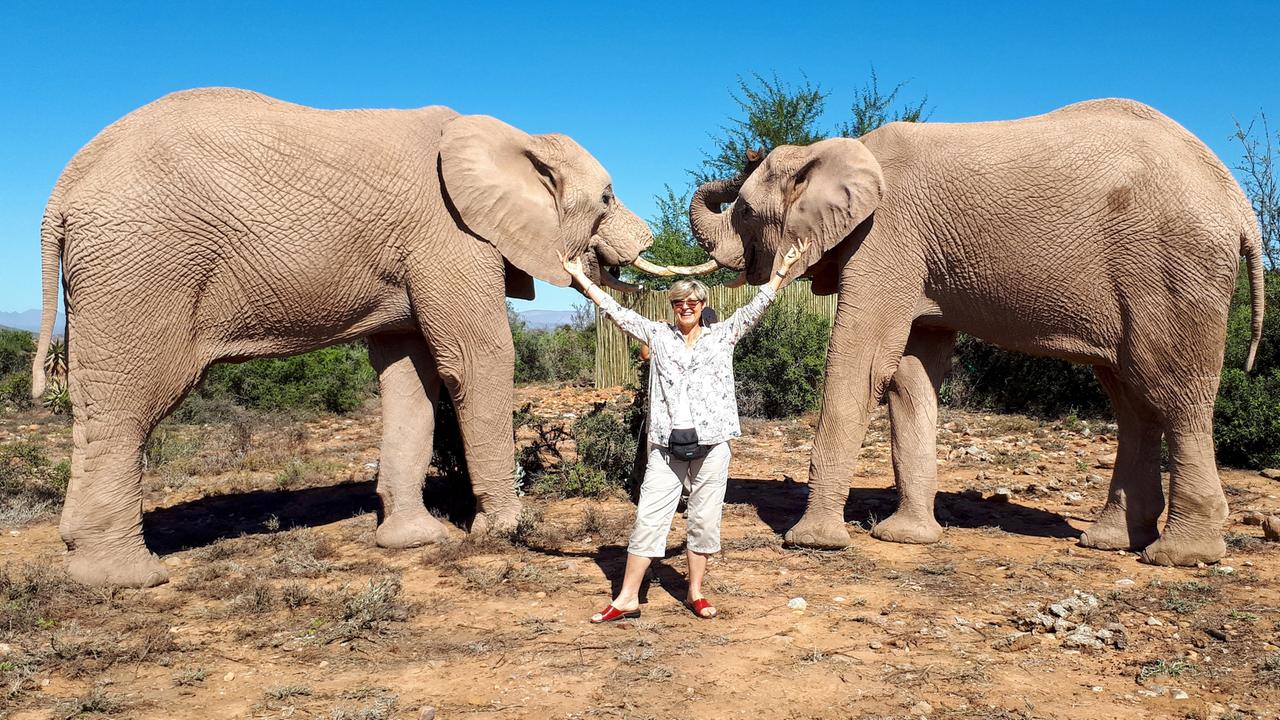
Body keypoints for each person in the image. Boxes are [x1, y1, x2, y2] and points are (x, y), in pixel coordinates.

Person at [560, 240, 809, 622]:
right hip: (665, 445)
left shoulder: (723, 335)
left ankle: (695, 592)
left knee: (704, 518)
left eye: (693, 302)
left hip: (712, 444)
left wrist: (783, 269)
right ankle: (627, 597)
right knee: (650, 515)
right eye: (679, 303)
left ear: (703, 305)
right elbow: (615, 311)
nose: (686, 307)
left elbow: (759, 303)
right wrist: (580, 278)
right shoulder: (657, 337)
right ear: (673, 307)